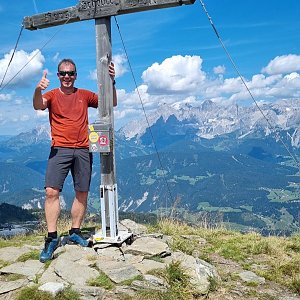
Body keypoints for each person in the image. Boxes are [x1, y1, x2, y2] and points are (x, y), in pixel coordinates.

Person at [33, 58, 117, 263]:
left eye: (70, 73)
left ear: (76, 75)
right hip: (59, 149)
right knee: (51, 191)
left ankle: (75, 231)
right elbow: (38, 105)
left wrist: (112, 82)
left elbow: (111, 102)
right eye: (63, 73)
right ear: (58, 76)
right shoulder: (51, 95)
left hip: (82, 149)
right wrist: (37, 89)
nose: (67, 77)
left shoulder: (84, 95)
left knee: (82, 191)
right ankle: (52, 238)